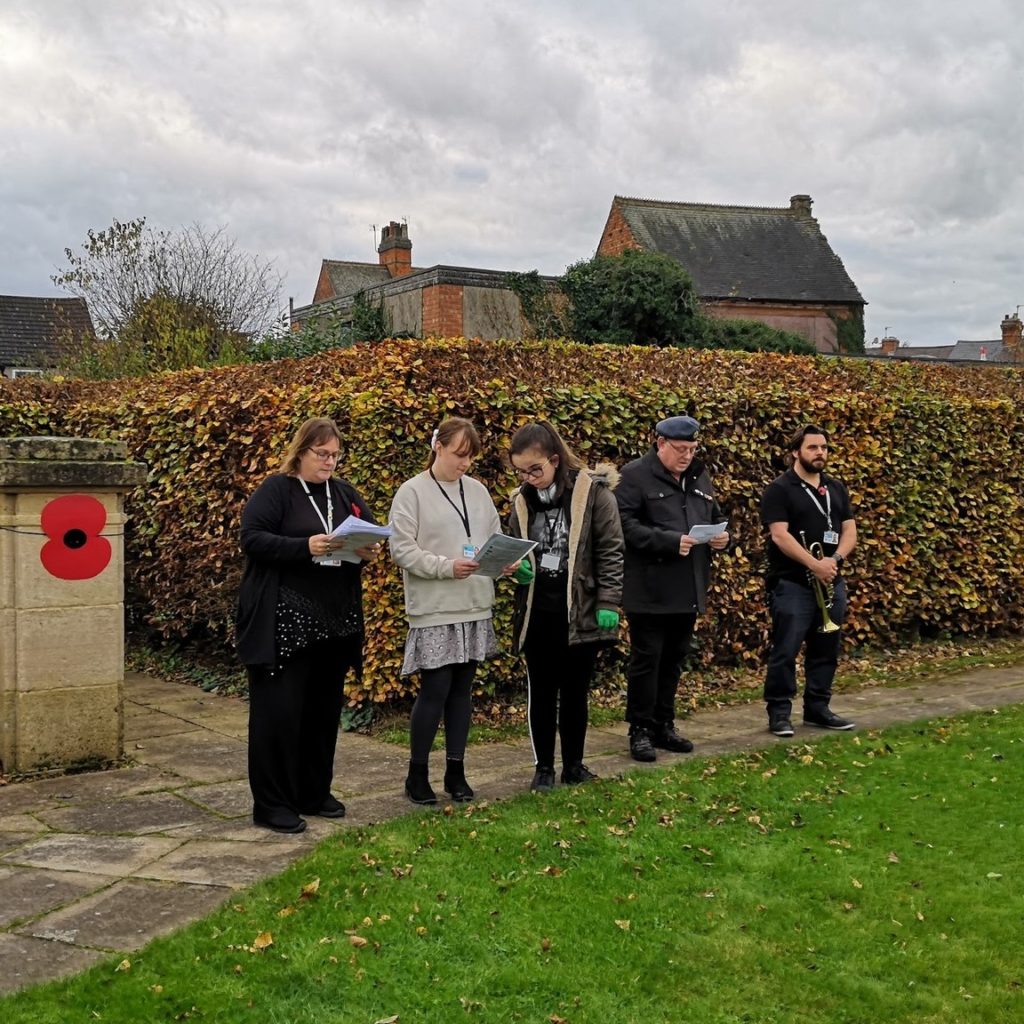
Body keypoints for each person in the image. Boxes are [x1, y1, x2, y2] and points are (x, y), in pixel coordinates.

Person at [236, 417, 381, 834]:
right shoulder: (277, 490)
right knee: (278, 715)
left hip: (333, 623)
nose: (330, 462)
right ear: (301, 452)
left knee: (321, 713)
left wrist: (369, 549)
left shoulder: (344, 493)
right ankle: (272, 803)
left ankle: (314, 791)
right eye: (322, 454)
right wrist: (305, 547)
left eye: (335, 455)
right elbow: (253, 538)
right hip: (284, 624)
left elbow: (370, 534)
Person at [389, 417, 515, 805]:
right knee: (435, 689)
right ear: (437, 446)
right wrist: (446, 566)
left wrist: (504, 562)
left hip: (474, 603)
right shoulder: (411, 492)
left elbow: (492, 538)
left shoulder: (476, 491)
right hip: (436, 607)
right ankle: (417, 774)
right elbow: (402, 549)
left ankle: (456, 771)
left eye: (470, 457)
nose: (465, 464)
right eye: (459, 454)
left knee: (462, 692)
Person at [507, 421, 625, 791]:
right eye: (521, 471)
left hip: (581, 609)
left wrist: (609, 601)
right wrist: (518, 570)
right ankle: (543, 767)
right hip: (538, 611)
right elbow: (513, 546)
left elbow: (611, 551)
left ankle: (574, 765)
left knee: (575, 692)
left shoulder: (595, 494)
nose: (529, 478)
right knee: (541, 692)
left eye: (535, 469)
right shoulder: (521, 500)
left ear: (555, 460)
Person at [615, 415, 729, 762]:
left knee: (674, 661)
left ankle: (664, 724)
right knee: (647, 660)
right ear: (660, 443)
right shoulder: (634, 476)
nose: (687, 456)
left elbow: (714, 515)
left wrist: (723, 536)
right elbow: (623, 526)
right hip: (650, 588)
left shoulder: (698, 475)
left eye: (693, 449)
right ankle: (640, 729)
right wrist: (667, 541)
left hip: (688, 586)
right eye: (681, 449)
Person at [761, 424, 858, 736]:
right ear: (795, 452)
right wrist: (814, 564)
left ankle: (818, 708)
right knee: (785, 650)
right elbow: (779, 535)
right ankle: (779, 713)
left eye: (824, 448)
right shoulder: (780, 489)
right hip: (791, 583)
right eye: (813, 447)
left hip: (831, 579)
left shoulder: (835, 488)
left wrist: (834, 560)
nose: (820, 453)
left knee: (826, 648)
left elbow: (849, 530)